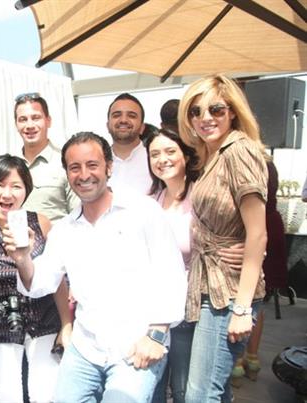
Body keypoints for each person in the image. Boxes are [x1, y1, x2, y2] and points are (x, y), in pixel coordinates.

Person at [7, 132, 187, 402]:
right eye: (74, 167)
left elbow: (170, 273)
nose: (84, 175)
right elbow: (40, 282)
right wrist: (23, 259)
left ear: (109, 168)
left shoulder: (143, 211)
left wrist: (156, 335)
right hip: (86, 348)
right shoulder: (65, 229)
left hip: (136, 344)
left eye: (92, 165)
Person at [0, 154, 73, 403]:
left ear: (26, 191)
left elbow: (57, 279)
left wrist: (66, 324)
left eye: (16, 186)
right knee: (7, 396)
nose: (7, 194)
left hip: (45, 321)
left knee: (45, 395)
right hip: (0, 325)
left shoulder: (41, 223)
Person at [178, 74, 268, 403]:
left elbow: (258, 232)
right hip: (209, 286)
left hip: (227, 293)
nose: (205, 118)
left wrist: (242, 308)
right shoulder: (212, 155)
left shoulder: (239, 151)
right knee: (215, 390)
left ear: (232, 111)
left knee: (201, 395)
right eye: (196, 111)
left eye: (216, 109)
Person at [145, 128, 201, 403]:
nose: (162, 159)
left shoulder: (200, 198)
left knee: (182, 389)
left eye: (170, 151)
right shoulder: (149, 201)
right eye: (155, 154)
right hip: (153, 307)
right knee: (152, 385)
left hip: (189, 307)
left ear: (186, 156)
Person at [231, 159, 288, 387]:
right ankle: (252, 359)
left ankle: (237, 362)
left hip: (247, 229)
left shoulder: (241, 161)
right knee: (258, 299)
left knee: (241, 295)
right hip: (270, 225)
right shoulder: (268, 163)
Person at [14, 92, 78, 221]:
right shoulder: (10, 165)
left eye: (36, 118)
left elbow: (79, 215)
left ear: (48, 121)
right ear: (16, 124)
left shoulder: (66, 162)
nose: (29, 125)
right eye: (23, 119)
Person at [106, 93, 153, 195]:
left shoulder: (155, 161)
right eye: (116, 115)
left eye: (132, 116)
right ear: (107, 126)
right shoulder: (97, 163)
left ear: (142, 128)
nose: (123, 120)